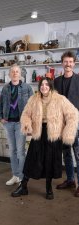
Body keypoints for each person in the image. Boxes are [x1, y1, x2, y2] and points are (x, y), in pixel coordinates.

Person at [11, 77, 78, 200]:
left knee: (50, 161)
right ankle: (23, 186)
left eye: (47, 84)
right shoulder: (33, 99)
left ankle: (48, 188)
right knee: (31, 159)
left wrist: (67, 132)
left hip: (53, 135)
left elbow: (74, 114)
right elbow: (25, 114)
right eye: (42, 85)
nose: (44, 87)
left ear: (50, 86)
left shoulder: (60, 99)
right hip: (38, 133)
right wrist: (27, 125)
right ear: (39, 87)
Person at [0, 64, 33, 185]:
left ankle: (22, 177)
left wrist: (29, 121)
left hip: (20, 123)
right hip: (8, 123)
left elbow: (32, 106)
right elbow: (0, 104)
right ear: (9, 74)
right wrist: (1, 117)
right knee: (12, 150)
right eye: (12, 71)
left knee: (21, 151)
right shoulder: (5, 88)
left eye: (17, 71)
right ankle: (15, 175)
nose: (15, 73)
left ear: (20, 73)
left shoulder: (27, 88)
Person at [54, 51, 79, 197]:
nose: (68, 64)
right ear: (62, 63)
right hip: (61, 123)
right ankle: (70, 180)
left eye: (70, 62)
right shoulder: (57, 81)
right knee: (66, 154)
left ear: (74, 63)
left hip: (75, 122)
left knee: (77, 154)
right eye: (65, 61)